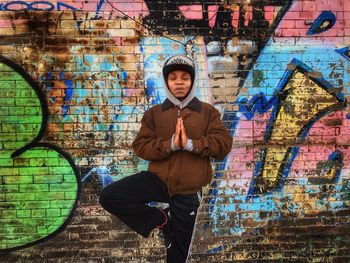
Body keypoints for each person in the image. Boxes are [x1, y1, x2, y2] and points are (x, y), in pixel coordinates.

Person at [99, 55, 233, 263]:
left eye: (185, 77)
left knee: (177, 256)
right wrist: (169, 145)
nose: (179, 82)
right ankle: (162, 218)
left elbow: (223, 145)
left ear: (192, 81)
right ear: (166, 81)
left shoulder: (207, 112)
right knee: (110, 196)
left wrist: (191, 144)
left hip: (188, 191)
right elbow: (141, 146)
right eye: (173, 77)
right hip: (157, 181)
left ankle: (172, 225)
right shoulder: (154, 113)